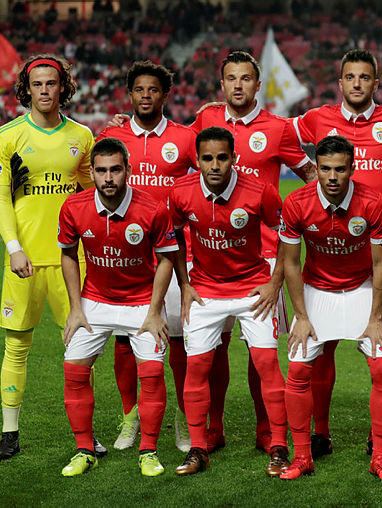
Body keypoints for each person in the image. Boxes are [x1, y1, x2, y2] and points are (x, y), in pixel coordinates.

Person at [293, 48, 382, 460]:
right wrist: (216, 112)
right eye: (350, 77)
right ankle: (321, 432)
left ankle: (378, 439)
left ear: (375, 83)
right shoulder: (318, 118)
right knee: (323, 348)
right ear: (340, 82)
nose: (357, 83)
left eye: (365, 77)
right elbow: (276, 132)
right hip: (332, 254)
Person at [187, 50, 315, 454]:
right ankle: (214, 427)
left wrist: (308, 218)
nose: (238, 85)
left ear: (258, 85)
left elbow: (310, 175)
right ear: (222, 84)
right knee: (213, 348)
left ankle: (265, 429)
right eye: (231, 78)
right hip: (211, 255)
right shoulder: (206, 120)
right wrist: (124, 125)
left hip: (265, 258)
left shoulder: (278, 128)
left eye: (245, 78)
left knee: (261, 352)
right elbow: (173, 148)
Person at [0, 54, 98, 461]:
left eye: (52, 83)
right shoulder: (7, 137)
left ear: (63, 87)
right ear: (27, 89)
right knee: (17, 345)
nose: (45, 90)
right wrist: (14, 248)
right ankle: (9, 434)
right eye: (38, 84)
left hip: (71, 259)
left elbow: (93, 192)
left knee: (83, 348)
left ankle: (87, 435)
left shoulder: (82, 136)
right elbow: (1, 198)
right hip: (25, 260)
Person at [169, 127, 289, 477]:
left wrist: (274, 283)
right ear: (198, 160)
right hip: (205, 290)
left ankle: (279, 447)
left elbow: (287, 234)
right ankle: (198, 448)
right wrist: (185, 283)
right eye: (207, 158)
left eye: (222, 158)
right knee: (197, 367)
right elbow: (173, 236)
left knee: (267, 364)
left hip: (253, 289)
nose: (215, 165)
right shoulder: (181, 191)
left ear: (234, 158)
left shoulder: (259, 190)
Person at [57, 137, 177, 477]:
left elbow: (167, 259)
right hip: (95, 300)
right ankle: (85, 450)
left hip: (141, 303)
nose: (108, 178)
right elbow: (68, 254)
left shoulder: (153, 208)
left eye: (115, 170)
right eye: (101, 171)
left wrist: (154, 311)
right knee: (74, 370)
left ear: (128, 170)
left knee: (151, 373)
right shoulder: (74, 207)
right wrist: (76, 308)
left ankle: (148, 452)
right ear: (92, 172)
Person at [279, 136, 382, 480]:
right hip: (317, 290)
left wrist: (375, 318)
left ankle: (380, 456)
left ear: (352, 168)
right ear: (316, 168)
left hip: (363, 288)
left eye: (340, 169)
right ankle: (303, 456)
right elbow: (290, 263)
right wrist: (301, 317)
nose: (332, 177)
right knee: (298, 369)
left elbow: (381, 264)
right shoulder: (297, 202)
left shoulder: (372, 202)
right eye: (325, 169)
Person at [96, 60, 195, 452]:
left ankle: (183, 417)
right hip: (128, 259)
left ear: (165, 95)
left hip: (176, 254)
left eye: (153, 89)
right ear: (130, 94)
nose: (146, 96)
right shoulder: (113, 135)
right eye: (139, 89)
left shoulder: (185, 138)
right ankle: (130, 416)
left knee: (179, 342)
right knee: (125, 341)